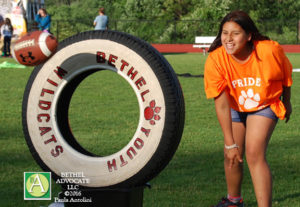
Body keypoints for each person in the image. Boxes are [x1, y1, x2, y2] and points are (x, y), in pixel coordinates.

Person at [204, 10, 292, 207]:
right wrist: (229, 143)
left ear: (249, 35)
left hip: (264, 104)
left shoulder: (269, 51)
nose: (228, 38)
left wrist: (287, 102)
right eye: (225, 33)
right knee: (232, 155)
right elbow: (222, 103)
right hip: (235, 106)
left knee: (254, 154)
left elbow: (285, 76)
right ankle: (233, 201)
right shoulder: (216, 59)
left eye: (235, 33)